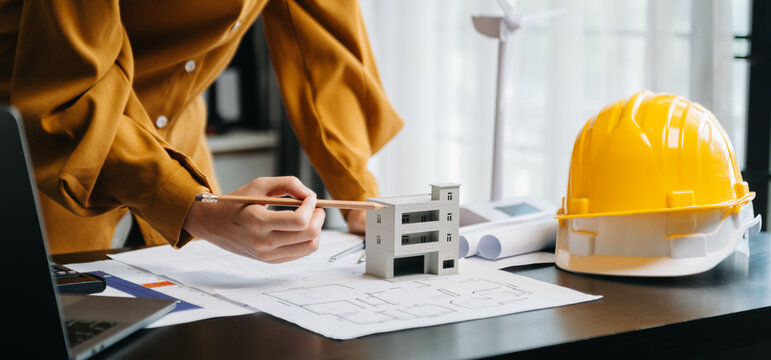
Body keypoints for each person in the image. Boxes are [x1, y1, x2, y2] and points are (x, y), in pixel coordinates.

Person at [0, 1, 403, 263]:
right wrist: (197, 209)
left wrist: (357, 197)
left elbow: (326, 56)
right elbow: (70, 87)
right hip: (47, 149)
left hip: (180, 151)